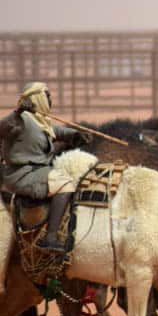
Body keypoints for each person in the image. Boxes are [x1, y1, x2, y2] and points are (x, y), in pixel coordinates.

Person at [0, 82, 92, 258]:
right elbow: (2, 128)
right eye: (47, 95)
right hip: (23, 174)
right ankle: (50, 237)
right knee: (66, 185)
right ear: (37, 98)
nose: (50, 99)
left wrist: (75, 135)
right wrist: (17, 112)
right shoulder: (21, 120)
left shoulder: (40, 121)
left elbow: (54, 131)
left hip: (39, 171)